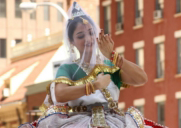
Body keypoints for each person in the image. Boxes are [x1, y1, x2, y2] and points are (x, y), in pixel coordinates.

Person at [19, 2, 167, 128]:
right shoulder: (68, 68)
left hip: (114, 121)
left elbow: (141, 78)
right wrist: (93, 86)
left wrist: (113, 56)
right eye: (80, 36)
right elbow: (60, 94)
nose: (88, 38)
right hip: (78, 121)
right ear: (72, 42)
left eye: (90, 33)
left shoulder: (109, 65)